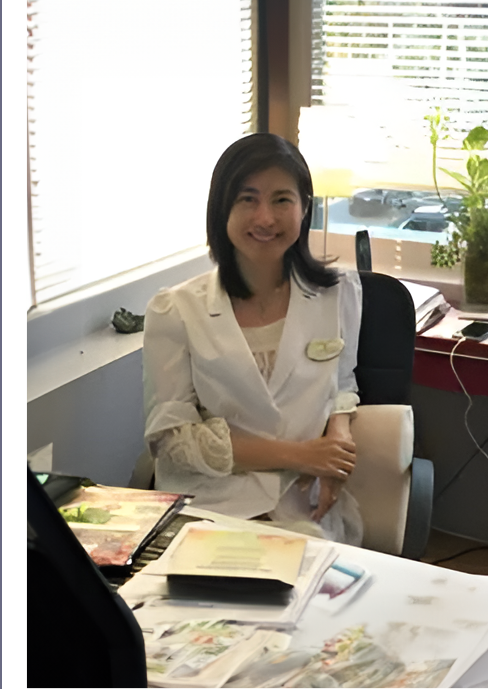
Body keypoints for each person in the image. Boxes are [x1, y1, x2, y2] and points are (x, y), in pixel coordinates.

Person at [142, 133, 363, 545]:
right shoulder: (175, 311)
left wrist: (339, 443)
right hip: (212, 511)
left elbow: (342, 384)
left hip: (306, 507)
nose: (265, 218)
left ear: (305, 209)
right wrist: (302, 456)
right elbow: (173, 441)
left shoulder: (340, 294)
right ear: (221, 210)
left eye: (282, 200)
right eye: (247, 199)